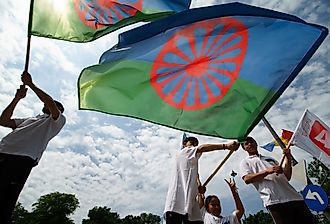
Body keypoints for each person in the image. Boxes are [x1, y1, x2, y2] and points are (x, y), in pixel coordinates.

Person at [0, 71, 66, 223]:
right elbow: (3, 120)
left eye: (55, 105)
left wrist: (30, 84)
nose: (48, 105)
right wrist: (17, 98)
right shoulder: (30, 119)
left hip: (21, 159)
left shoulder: (57, 121)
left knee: (5, 200)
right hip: (2, 152)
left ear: (59, 110)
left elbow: (49, 102)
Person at [240, 136, 316, 224]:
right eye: (246, 144)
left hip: (295, 198)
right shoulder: (245, 162)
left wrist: (287, 157)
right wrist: (267, 171)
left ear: (256, 143)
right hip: (275, 201)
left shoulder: (270, 159)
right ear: (244, 148)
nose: (250, 144)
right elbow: (247, 179)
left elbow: (287, 176)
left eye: (252, 141)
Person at [164, 136, 240, 224]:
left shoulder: (192, 163)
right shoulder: (185, 151)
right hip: (176, 203)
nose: (194, 144)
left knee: (198, 221)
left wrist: (198, 187)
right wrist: (225, 146)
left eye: (195, 143)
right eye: (191, 142)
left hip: (190, 203)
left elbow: (193, 179)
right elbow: (201, 148)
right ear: (184, 144)